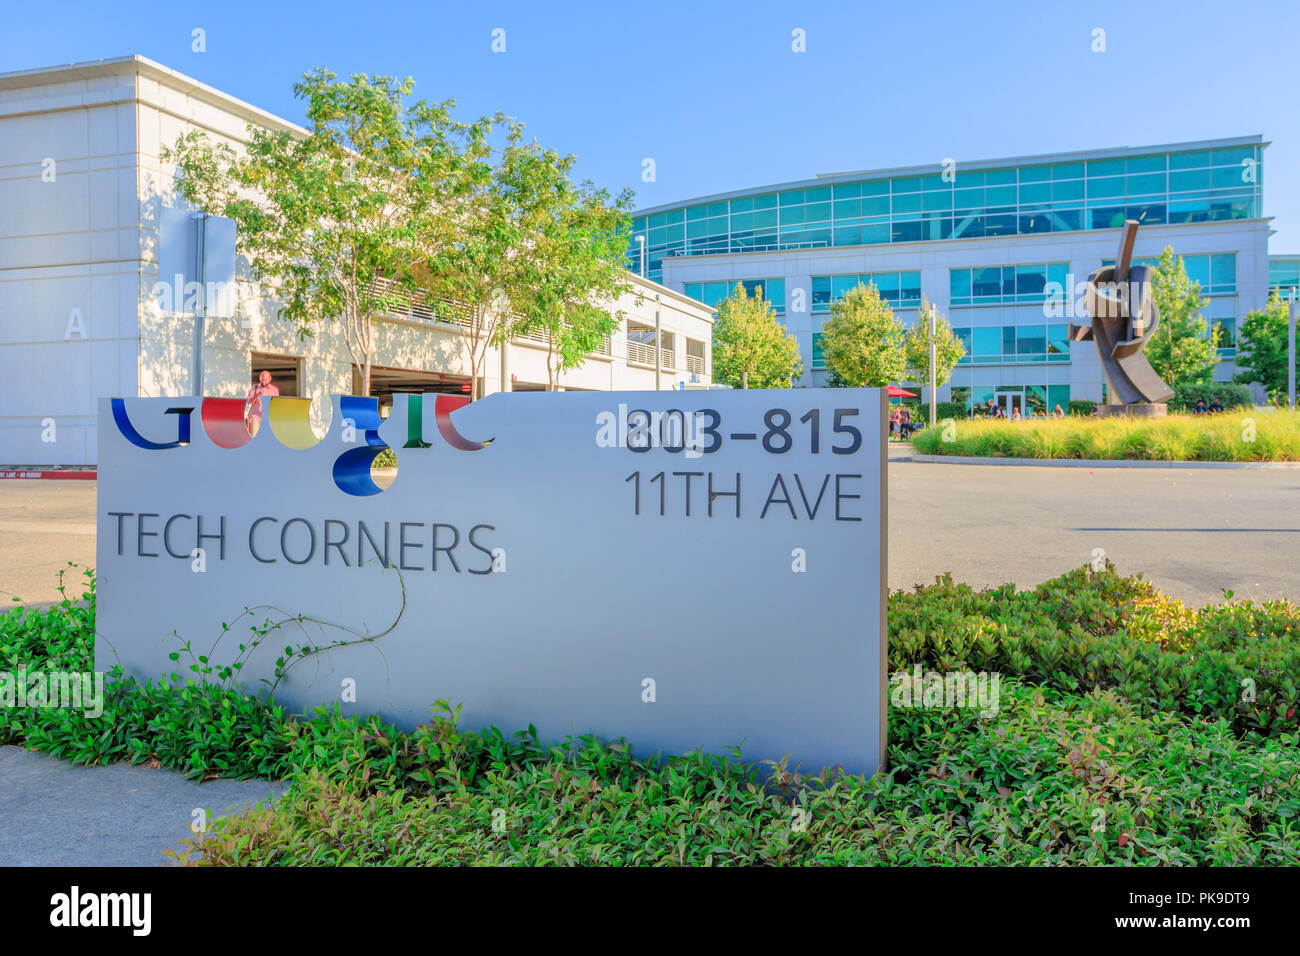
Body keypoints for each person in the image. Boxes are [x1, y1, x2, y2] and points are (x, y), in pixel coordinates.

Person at [244, 369, 280, 436]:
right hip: (255, 417)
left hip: (268, 418)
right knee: (254, 437)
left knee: (266, 437)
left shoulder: (274, 390)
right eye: (262, 380)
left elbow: (276, 404)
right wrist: (257, 395)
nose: (263, 382)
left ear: (270, 379)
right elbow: (249, 401)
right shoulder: (255, 387)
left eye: (265, 380)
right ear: (259, 378)